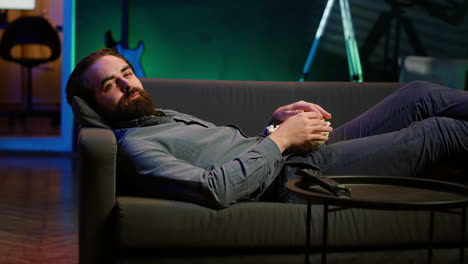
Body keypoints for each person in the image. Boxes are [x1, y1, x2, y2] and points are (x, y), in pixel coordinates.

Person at [66, 48, 468, 208]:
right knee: (438, 132)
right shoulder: (136, 147)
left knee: (419, 95)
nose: (127, 85)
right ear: (93, 104)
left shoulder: (157, 116)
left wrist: (275, 124)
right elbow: (215, 187)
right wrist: (281, 139)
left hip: (291, 153)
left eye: (127, 73)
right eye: (110, 86)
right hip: (298, 176)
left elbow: (234, 152)